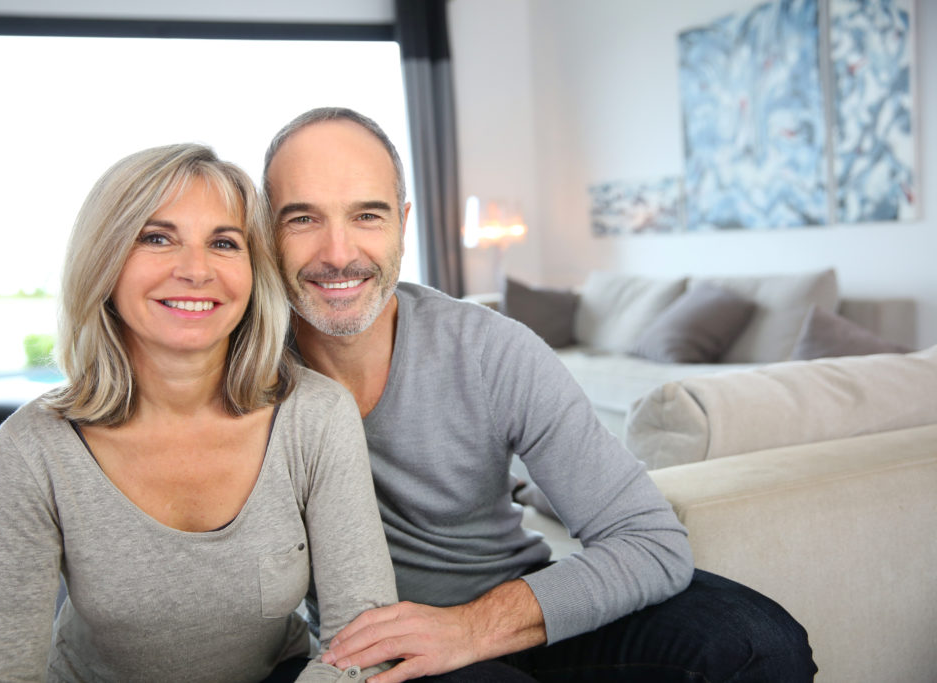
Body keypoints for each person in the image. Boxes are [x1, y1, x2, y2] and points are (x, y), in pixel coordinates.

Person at [261, 107, 818, 683]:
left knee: (759, 643)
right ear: (265, 232)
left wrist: (472, 628)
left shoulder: (490, 349)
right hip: (379, 650)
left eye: (367, 215)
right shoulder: (244, 372)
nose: (336, 252)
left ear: (403, 224)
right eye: (302, 219)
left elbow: (650, 541)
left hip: (515, 616)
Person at [0, 144, 399, 683]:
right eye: (157, 238)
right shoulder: (32, 448)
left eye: (224, 243)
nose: (196, 270)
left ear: (253, 272)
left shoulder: (317, 415)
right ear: (105, 260)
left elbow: (362, 638)